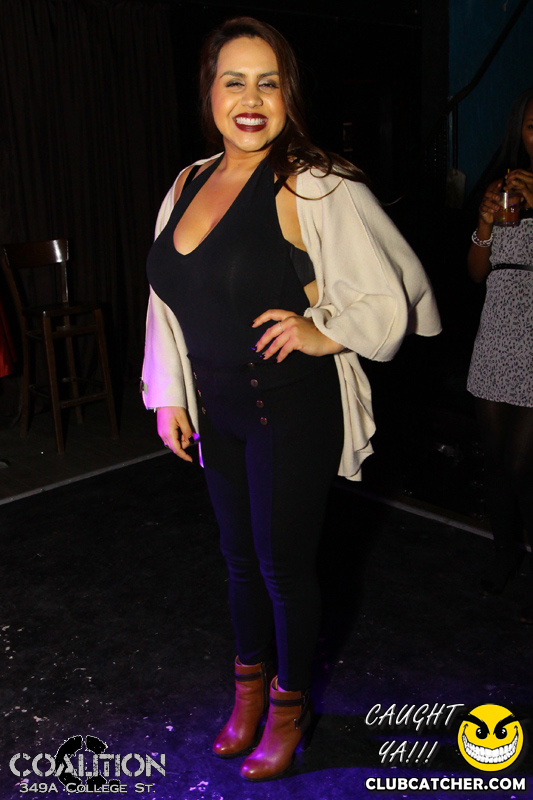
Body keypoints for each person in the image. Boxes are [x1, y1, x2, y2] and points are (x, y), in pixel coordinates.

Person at [141, 17, 441, 781]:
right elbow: (166, 302)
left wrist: (324, 330)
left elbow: (392, 290)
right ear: (208, 92)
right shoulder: (186, 182)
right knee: (238, 562)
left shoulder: (311, 180)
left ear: (288, 95)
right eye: (234, 81)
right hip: (217, 409)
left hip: (289, 407)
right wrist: (168, 395)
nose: (251, 99)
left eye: (267, 83)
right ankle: (247, 693)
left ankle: (288, 706)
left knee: (282, 568)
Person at [466, 87, 533, 622]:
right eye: (532, 126)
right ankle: (504, 550)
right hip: (498, 327)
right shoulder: (506, 182)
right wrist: (485, 224)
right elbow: (476, 273)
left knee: (521, 463)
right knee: (494, 458)